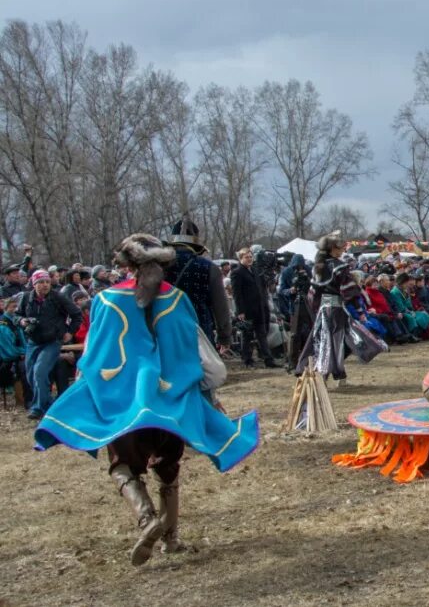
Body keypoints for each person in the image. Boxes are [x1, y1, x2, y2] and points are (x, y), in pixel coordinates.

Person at [34, 234, 259, 566]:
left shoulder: (106, 300)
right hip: (170, 404)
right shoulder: (177, 298)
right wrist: (207, 397)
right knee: (168, 468)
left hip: (124, 404)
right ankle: (171, 539)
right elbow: (190, 354)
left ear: (125, 265)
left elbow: (97, 354)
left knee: (123, 465)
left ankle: (146, 519)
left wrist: (84, 384)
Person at [16, 270, 82, 420]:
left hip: (52, 341)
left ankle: (38, 408)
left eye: (47, 282)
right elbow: (17, 315)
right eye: (41, 282)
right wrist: (21, 321)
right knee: (31, 375)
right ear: (34, 284)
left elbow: (76, 314)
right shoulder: (26, 298)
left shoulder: (57, 297)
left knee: (40, 371)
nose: (45, 285)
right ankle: (49, 404)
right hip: (33, 341)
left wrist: (70, 332)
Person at [163, 217, 232, 354]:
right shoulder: (209, 268)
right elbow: (220, 307)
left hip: (165, 328)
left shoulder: (159, 266)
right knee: (201, 371)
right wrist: (224, 336)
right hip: (199, 329)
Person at [295, 234, 358, 382]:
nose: (343, 250)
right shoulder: (339, 267)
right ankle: (324, 375)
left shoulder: (317, 267)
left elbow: (313, 294)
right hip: (337, 310)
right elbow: (349, 291)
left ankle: (333, 375)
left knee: (325, 342)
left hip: (324, 309)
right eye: (340, 247)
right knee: (336, 343)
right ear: (333, 249)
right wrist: (358, 309)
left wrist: (318, 308)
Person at [230, 247, 279, 369]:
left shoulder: (255, 271)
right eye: (247, 257)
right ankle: (247, 360)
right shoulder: (237, 272)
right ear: (241, 258)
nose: (249, 259)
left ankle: (268, 359)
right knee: (247, 336)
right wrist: (240, 311)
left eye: (251, 257)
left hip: (260, 308)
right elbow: (237, 294)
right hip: (247, 309)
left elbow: (262, 289)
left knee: (262, 334)